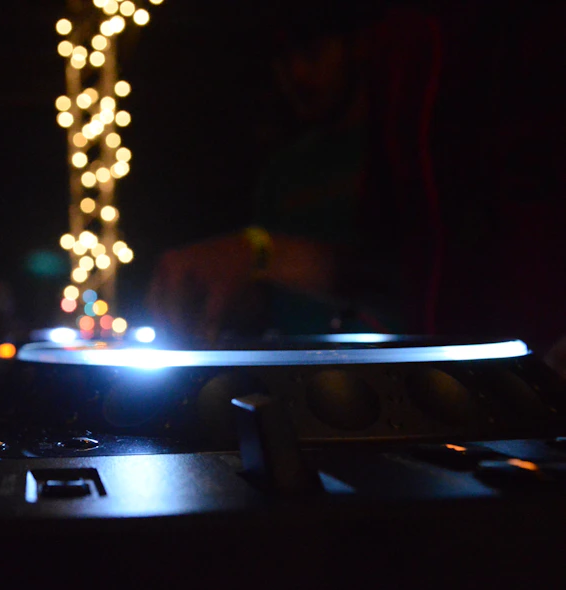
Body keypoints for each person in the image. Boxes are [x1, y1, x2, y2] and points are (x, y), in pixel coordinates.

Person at [147, 3, 566, 358]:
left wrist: (259, 252)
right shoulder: (284, 169)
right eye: (283, 60)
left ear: (361, 46)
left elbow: (409, 272)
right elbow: (268, 302)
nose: (295, 74)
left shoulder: (411, 143)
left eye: (311, 52)